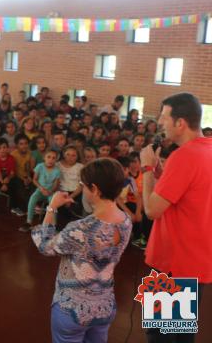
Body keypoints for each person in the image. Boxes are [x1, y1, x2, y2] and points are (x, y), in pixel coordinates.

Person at [32, 158, 132, 343]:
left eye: (83, 185)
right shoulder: (125, 221)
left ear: (94, 189)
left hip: (73, 310)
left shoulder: (81, 228)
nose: (82, 189)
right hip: (104, 306)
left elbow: (45, 246)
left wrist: (52, 207)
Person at [140, 93, 212, 343]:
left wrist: (148, 170)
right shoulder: (208, 148)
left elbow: (151, 210)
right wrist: (162, 174)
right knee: (179, 335)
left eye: (164, 117)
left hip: (175, 262)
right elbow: (188, 194)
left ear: (180, 123)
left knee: (160, 336)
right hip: (196, 259)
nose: (160, 123)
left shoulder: (184, 157)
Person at [20, 150, 60, 232]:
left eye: (53, 158)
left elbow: (56, 185)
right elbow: (34, 180)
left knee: (53, 204)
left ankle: (53, 225)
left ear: (56, 160)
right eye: (48, 157)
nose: (51, 160)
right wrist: (41, 188)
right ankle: (29, 222)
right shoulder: (39, 166)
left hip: (50, 192)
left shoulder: (57, 171)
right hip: (40, 190)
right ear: (44, 158)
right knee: (33, 198)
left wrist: (50, 191)